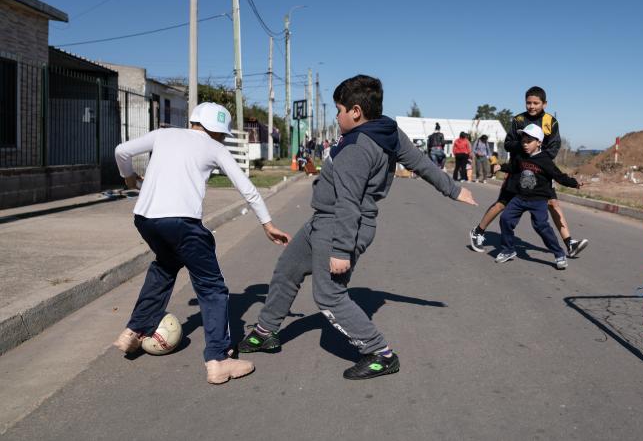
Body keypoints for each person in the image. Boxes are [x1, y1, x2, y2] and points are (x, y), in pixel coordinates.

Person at [238, 75, 477, 380]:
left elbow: (349, 202)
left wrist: (340, 250)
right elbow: (421, 163)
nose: (336, 117)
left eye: (338, 110)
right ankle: (265, 331)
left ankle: (380, 353)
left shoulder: (357, 147)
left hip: (339, 226)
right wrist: (453, 189)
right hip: (322, 222)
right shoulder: (387, 129)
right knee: (288, 268)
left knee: (329, 296)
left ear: (355, 111)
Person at [112, 102, 291, 385]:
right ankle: (219, 360)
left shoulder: (163, 135)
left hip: (146, 219)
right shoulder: (216, 148)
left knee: (165, 267)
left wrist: (129, 177)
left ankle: (134, 330)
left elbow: (121, 150)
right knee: (213, 288)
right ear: (220, 132)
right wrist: (267, 224)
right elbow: (247, 188)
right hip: (183, 224)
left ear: (194, 120)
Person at [469, 86, 588, 257]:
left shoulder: (551, 122)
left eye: (536, 103)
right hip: (518, 168)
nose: (532, 106)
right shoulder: (518, 120)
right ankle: (478, 232)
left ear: (544, 104)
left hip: (541, 170)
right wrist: (524, 148)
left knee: (553, 203)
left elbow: (554, 146)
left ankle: (570, 243)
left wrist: (539, 159)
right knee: (502, 203)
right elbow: (508, 143)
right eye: (528, 103)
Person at [494, 124, 581, 269]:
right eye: (523, 141)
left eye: (529, 141)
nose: (525, 144)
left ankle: (559, 254)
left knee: (541, 226)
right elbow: (513, 167)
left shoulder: (545, 160)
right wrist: (501, 167)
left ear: (539, 142)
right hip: (520, 197)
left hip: (539, 199)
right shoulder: (521, 156)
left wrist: (574, 183)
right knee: (505, 219)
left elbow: (558, 176)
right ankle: (508, 249)